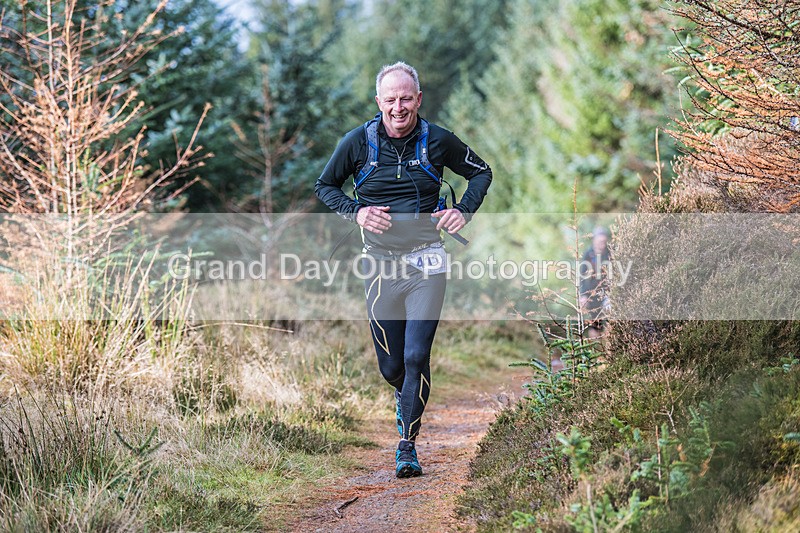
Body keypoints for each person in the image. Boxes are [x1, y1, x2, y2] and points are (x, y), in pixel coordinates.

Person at [315, 62, 492, 478]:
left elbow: (481, 173)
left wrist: (463, 211)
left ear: (418, 99)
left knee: (416, 356)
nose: (399, 107)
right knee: (392, 368)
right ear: (379, 103)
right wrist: (356, 212)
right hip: (378, 264)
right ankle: (405, 394)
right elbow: (325, 186)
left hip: (427, 259)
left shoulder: (438, 141)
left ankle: (407, 445)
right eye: (390, 99)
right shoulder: (357, 142)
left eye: (406, 98)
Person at [579, 226, 612, 339]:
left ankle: (609, 348)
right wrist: (583, 294)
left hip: (607, 292)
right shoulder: (588, 254)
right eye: (600, 241)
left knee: (609, 320)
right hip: (592, 293)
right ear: (594, 240)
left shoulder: (610, 253)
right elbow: (582, 275)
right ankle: (595, 349)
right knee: (595, 324)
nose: (602, 244)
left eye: (604, 241)